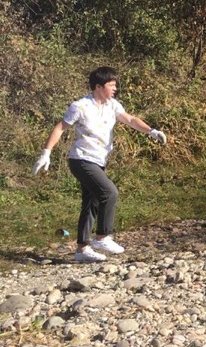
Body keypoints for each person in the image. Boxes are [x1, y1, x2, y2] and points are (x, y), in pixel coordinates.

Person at [32, 66, 167, 263]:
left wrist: (152, 131)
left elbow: (130, 119)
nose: (115, 89)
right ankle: (102, 237)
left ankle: (82, 249)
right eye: (111, 85)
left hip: (99, 160)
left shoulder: (112, 105)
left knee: (91, 201)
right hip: (81, 159)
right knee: (109, 192)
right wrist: (46, 153)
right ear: (98, 86)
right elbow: (60, 128)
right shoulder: (80, 106)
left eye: (115, 85)